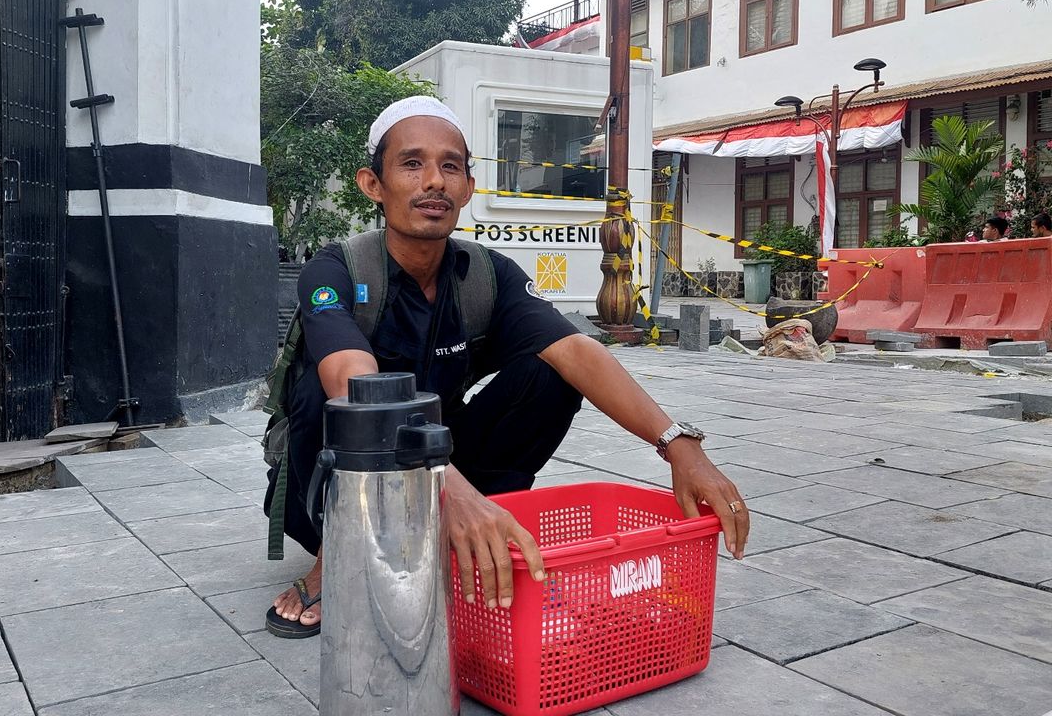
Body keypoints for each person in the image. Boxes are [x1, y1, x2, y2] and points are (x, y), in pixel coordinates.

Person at [263, 96, 749, 638]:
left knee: (551, 372)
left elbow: (578, 351)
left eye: (451, 166)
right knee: (323, 391)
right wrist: (446, 488)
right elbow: (352, 381)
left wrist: (679, 444)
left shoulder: (485, 276)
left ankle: (478, 528)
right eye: (411, 164)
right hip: (333, 485)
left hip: (449, 465)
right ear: (373, 184)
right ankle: (339, 555)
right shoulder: (335, 270)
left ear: (469, 188)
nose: (434, 182)